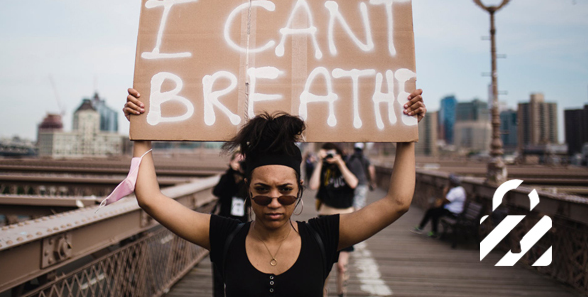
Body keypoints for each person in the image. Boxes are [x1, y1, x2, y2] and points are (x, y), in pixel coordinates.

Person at [122, 87, 425, 297]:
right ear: (248, 190)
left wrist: (405, 133)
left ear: (301, 189)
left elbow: (397, 202)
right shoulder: (224, 236)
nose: (275, 201)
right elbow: (150, 198)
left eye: (286, 191)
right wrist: (141, 131)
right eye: (262, 191)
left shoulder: (323, 235)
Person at [308, 143, 357, 297]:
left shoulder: (347, 165)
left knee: (341, 266)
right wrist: (320, 162)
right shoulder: (323, 168)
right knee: (326, 266)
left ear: (339, 154)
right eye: (327, 153)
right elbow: (313, 185)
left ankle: (342, 293)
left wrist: (340, 163)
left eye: (332, 153)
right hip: (326, 219)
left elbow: (353, 183)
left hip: (346, 219)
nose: (330, 156)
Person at [211, 151, 249, 296]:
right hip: (223, 224)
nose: (240, 164)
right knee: (219, 264)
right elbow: (217, 192)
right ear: (231, 161)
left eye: (243, 161)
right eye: (237, 161)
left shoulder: (249, 180)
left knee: (238, 264)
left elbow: (250, 199)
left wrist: (244, 175)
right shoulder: (226, 177)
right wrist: (230, 173)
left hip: (242, 226)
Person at [346, 143, 376, 211]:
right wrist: (372, 182)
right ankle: (357, 219)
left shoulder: (349, 158)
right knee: (359, 203)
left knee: (352, 202)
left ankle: (352, 218)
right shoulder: (365, 158)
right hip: (362, 183)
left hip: (350, 184)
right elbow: (371, 170)